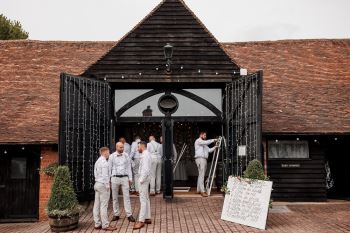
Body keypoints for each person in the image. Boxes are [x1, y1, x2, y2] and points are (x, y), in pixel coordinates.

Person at [109, 142, 136, 222]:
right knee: (114, 197)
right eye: (120, 147)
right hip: (114, 178)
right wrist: (109, 180)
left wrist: (130, 178)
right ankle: (116, 214)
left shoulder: (126, 155)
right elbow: (109, 168)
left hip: (124, 178)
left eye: (122, 147)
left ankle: (129, 214)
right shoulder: (112, 156)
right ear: (116, 147)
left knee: (127, 197)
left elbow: (128, 167)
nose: (122, 149)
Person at [93, 147, 116, 231]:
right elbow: (106, 176)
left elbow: (95, 173)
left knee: (97, 204)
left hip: (97, 184)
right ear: (105, 153)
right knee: (104, 205)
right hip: (103, 185)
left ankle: (97, 224)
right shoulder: (104, 163)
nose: (109, 154)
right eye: (108, 152)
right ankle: (105, 225)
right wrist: (107, 185)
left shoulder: (97, 161)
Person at [133, 141, 152, 230]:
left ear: (142, 146)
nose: (137, 148)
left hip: (143, 179)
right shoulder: (146, 154)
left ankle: (141, 221)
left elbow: (145, 169)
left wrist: (141, 180)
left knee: (143, 200)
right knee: (146, 198)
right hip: (145, 178)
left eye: (138, 147)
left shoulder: (145, 155)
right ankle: (148, 217)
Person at [194, 132, 217, 197]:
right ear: (200, 135)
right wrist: (214, 140)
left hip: (203, 159)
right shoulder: (198, 141)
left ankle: (198, 190)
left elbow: (209, 150)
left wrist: (215, 147)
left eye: (205, 135)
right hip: (200, 159)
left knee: (200, 174)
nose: (205, 136)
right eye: (204, 135)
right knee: (202, 175)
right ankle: (202, 191)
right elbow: (206, 142)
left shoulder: (204, 144)